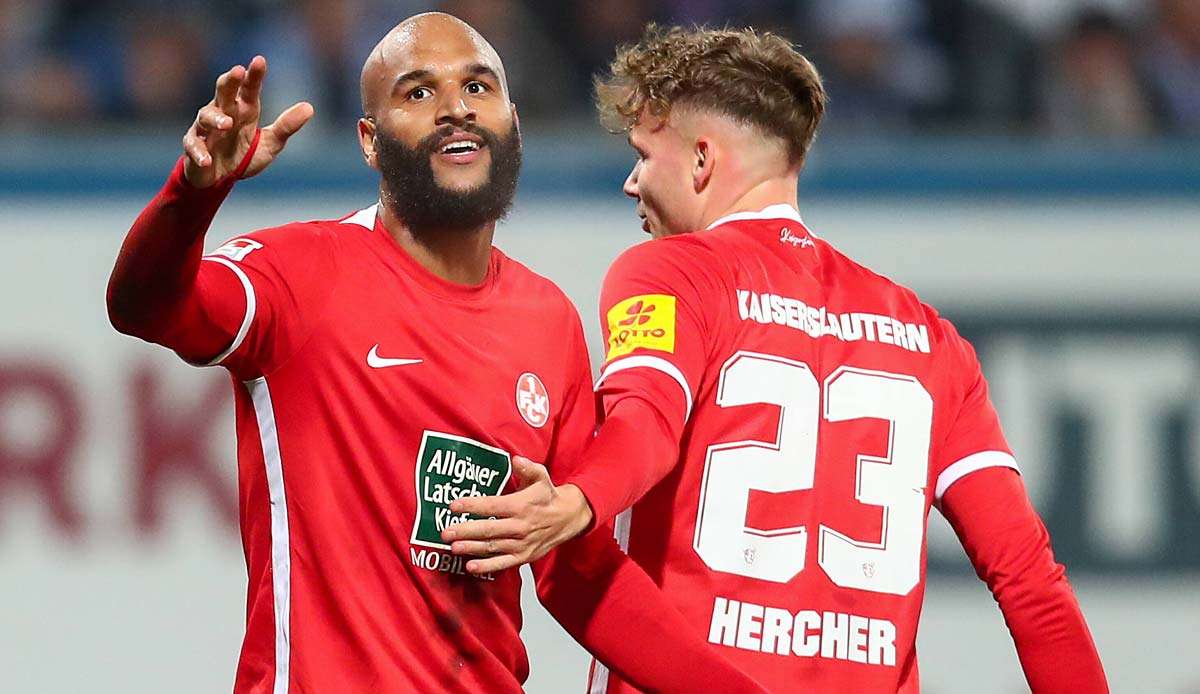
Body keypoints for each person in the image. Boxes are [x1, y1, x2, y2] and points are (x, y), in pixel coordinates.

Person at [106, 13, 765, 694]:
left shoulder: (549, 321)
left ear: (513, 122)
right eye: (417, 93)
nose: (455, 108)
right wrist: (194, 193)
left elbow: (578, 570)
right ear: (369, 140)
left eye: (477, 87)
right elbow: (146, 308)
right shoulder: (300, 274)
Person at [445, 24, 1110, 693]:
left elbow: (645, 420)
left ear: (702, 160)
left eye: (644, 155)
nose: (631, 182)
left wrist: (577, 502)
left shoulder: (674, 274)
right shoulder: (929, 337)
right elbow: (1029, 579)